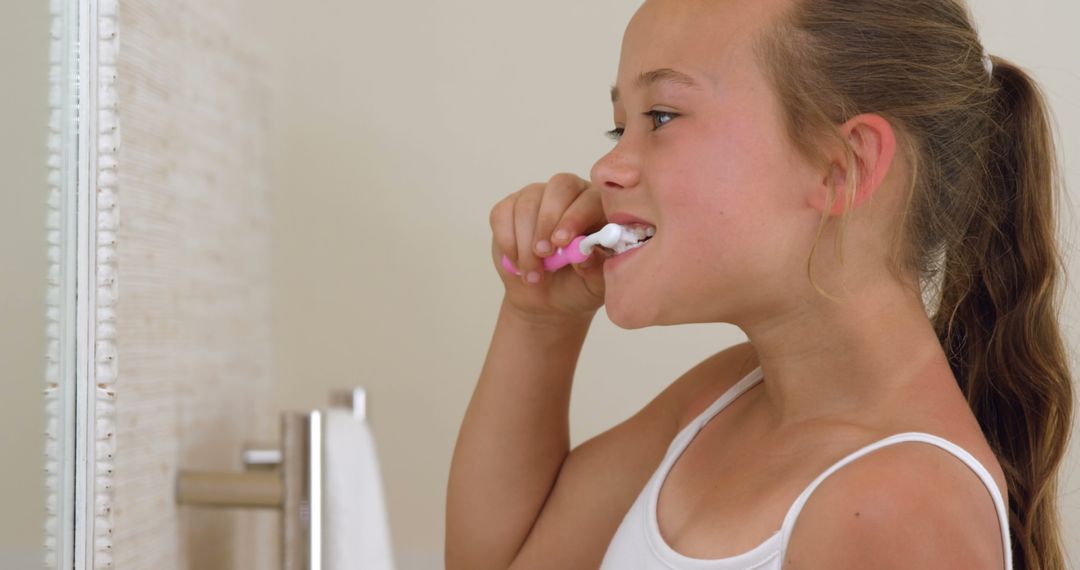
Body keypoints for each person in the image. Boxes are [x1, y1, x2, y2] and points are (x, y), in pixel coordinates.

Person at [447, 0, 1074, 568]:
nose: (605, 167)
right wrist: (539, 321)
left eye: (661, 117)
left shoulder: (896, 507)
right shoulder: (723, 401)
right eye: (620, 127)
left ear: (842, 167)